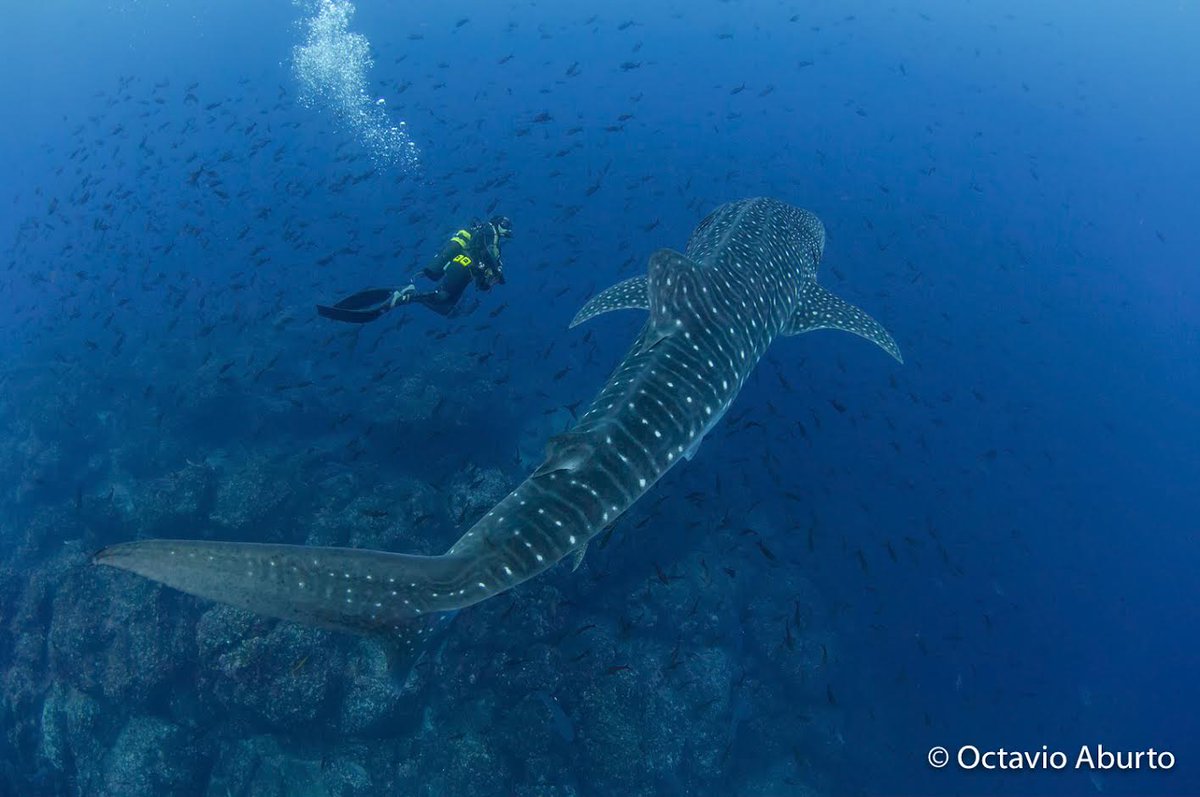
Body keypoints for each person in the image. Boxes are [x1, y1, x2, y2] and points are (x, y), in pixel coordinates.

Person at [317, 215, 512, 323]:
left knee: (444, 307)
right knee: (441, 297)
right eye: (505, 225)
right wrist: (499, 274)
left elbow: (484, 282)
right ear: (497, 223)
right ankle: (405, 296)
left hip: (462, 268)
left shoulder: (487, 238)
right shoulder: (489, 232)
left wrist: (491, 277)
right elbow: (488, 254)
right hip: (462, 266)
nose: (506, 229)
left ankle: (409, 295)